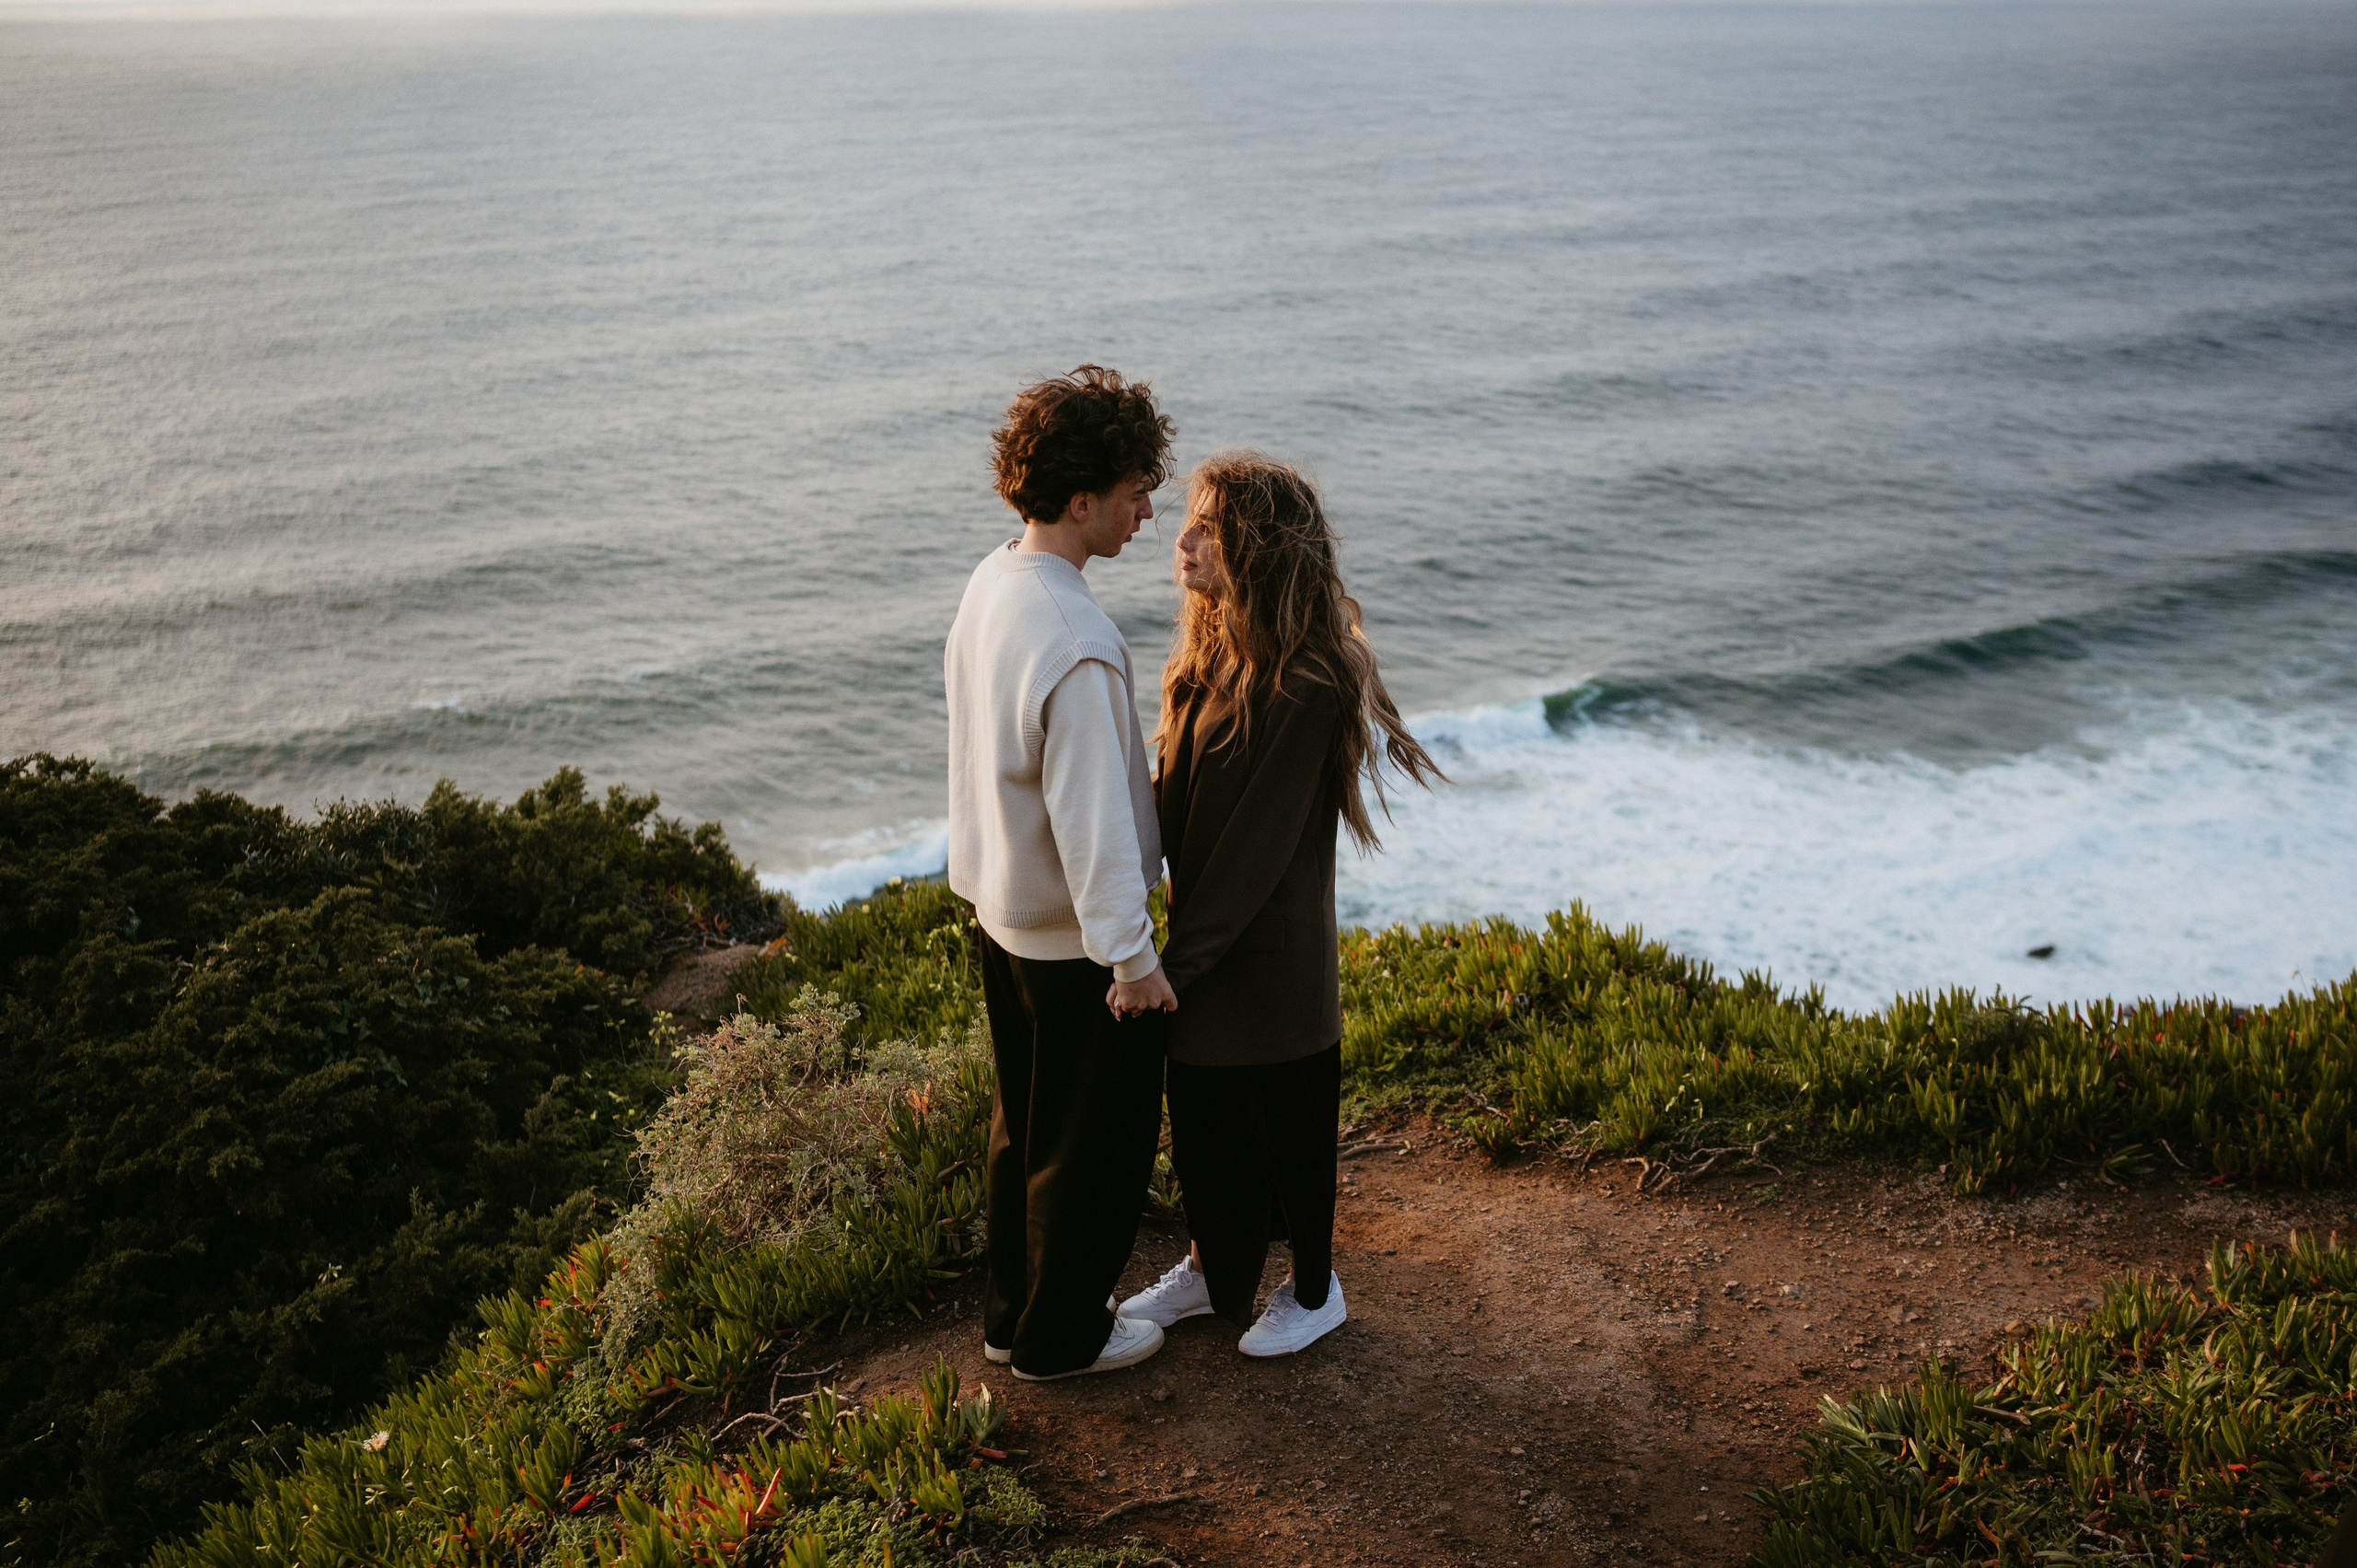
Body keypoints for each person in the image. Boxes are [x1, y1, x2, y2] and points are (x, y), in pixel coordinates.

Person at [1118, 451, 1441, 1356]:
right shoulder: (1205, 658)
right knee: (1210, 1127)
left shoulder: (1306, 681)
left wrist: (1166, 970)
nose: (1178, 540)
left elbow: (1254, 853)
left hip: (1271, 960)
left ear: (1255, 548)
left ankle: (1313, 1287)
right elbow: (1174, 805)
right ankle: (1206, 1271)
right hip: (1205, 945)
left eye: (1206, 528)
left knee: (1292, 1135)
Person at [945, 366, 1180, 1382]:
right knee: (1091, 1149)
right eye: (1134, 490)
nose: (1147, 509)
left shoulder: (996, 579)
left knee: (1024, 1127)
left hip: (1002, 909)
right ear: (1081, 499)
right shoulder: (1077, 638)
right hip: (1076, 939)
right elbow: (1091, 823)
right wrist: (1131, 958)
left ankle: (1011, 1316)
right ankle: (1063, 1335)